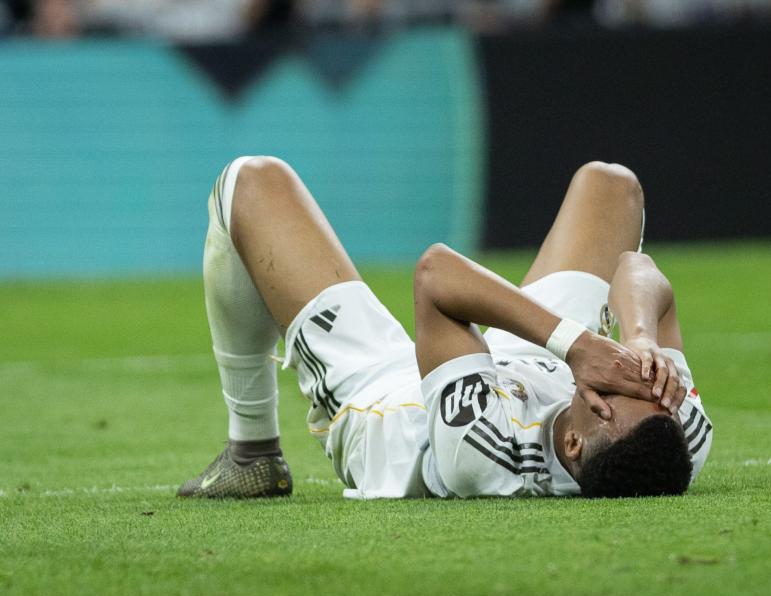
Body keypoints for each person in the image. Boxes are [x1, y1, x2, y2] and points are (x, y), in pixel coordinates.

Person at [177, 156, 713, 500]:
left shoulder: (482, 454)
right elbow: (640, 275)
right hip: (534, 368)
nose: (629, 373)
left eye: (620, 387)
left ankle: (251, 454)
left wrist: (575, 346)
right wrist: (642, 337)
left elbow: (436, 276)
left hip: (392, 400)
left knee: (248, 182)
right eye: (645, 381)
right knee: (611, 185)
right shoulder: (673, 429)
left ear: (573, 444)